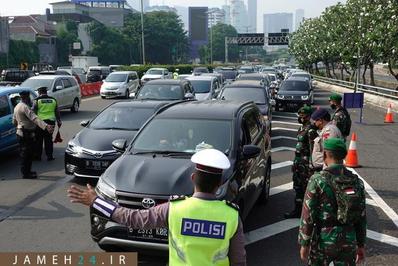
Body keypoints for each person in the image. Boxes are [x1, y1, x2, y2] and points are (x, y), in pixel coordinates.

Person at [67, 148, 246, 266]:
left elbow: (131, 218)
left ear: (193, 179)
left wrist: (96, 201)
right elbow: (239, 261)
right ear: (219, 183)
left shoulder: (174, 209)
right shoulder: (231, 216)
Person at [298, 138, 366, 265]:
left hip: (323, 239)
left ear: (325, 155)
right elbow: (361, 217)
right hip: (349, 239)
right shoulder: (357, 182)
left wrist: (304, 243)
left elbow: (308, 215)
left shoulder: (317, 180)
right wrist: (361, 244)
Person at [285, 106, 318, 219]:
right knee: (298, 186)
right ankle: (297, 210)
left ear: (308, 116)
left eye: (303, 116)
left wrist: (311, 166)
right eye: (300, 115)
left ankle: (308, 213)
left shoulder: (311, 130)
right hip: (298, 162)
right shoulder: (301, 128)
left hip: (306, 164)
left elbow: (313, 149)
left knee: (306, 188)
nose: (301, 117)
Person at [12, 90, 54, 179]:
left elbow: (14, 121)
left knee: (26, 154)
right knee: (27, 154)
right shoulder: (25, 107)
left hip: (20, 133)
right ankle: (26, 173)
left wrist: (19, 125)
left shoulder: (17, 107)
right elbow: (34, 118)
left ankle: (27, 171)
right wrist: (46, 126)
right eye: (29, 97)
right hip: (25, 134)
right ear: (26, 97)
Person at [32, 87, 62, 161]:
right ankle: (49, 156)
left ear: (39, 93)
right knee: (48, 139)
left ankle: (38, 156)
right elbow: (57, 111)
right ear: (46, 92)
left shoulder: (37, 100)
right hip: (51, 122)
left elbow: (33, 112)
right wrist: (59, 120)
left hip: (40, 123)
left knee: (38, 140)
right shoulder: (53, 100)